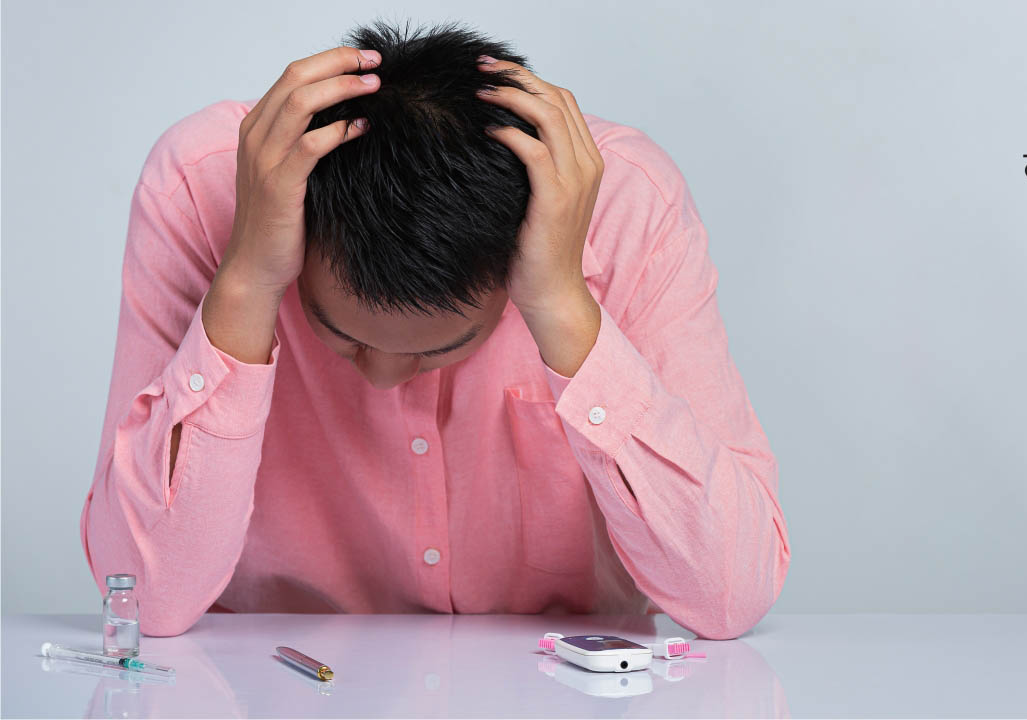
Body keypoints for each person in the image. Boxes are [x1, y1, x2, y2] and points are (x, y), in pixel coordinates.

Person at [80, 19, 789, 640]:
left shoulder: (628, 203)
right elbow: (144, 601)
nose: (384, 377)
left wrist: (564, 307)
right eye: (341, 334)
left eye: (441, 347)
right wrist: (245, 283)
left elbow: (729, 595)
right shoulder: (205, 190)